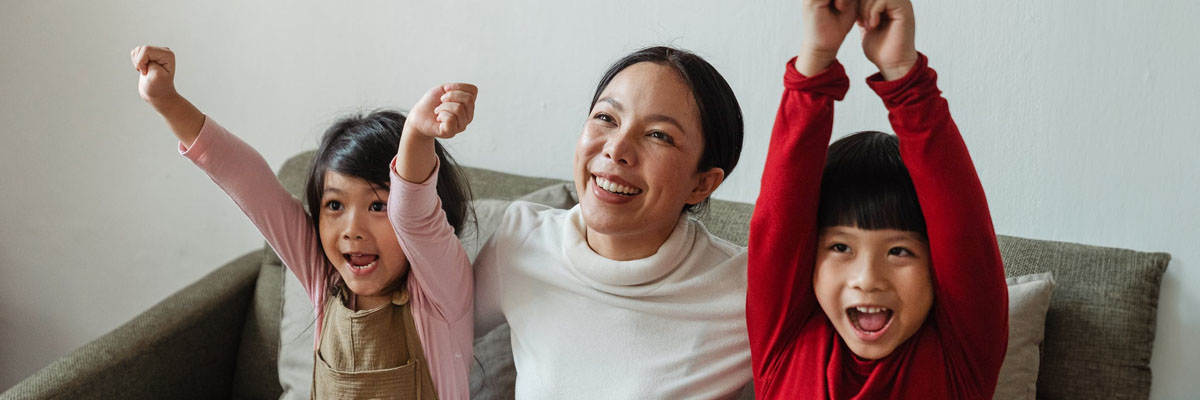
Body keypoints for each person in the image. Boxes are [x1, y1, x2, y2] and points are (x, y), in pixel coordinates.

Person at [130, 45, 478, 399]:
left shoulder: (440, 289)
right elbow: (249, 182)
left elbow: (414, 215)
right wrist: (167, 101)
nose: (352, 229)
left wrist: (417, 136)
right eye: (335, 205)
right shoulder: (323, 279)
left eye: (377, 206)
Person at [747, 0, 1009, 398]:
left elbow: (964, 233)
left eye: (900, 251)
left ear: (935, 267)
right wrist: (815, 58)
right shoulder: (785, 342)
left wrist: (905, 76)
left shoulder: (960, 360)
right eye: (840, 247)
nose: (868, 279)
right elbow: (779, 224)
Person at [473, 46, 751, 398]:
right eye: (606, 118)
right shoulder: (522, 239)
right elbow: (425, 330)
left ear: (701, 184)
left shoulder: (743, 289)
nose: (616, 149)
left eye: (659, 135)